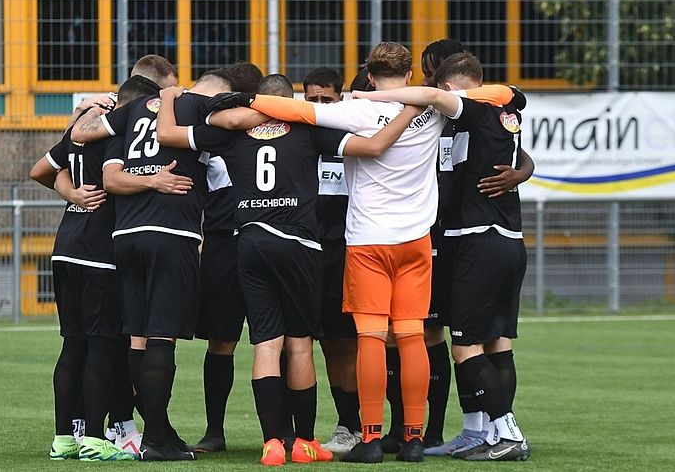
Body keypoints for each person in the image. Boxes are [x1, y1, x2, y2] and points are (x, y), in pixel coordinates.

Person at [210, 42, 515, 463]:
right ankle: (413, 438)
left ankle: (370, 438)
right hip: (416, 240)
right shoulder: (438, 108)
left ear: (369, 76)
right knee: (411, 338)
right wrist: (419, 98)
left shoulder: (352, 110)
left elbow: (294, 112)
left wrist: (246, 99)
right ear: (409, 76)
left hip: (368, 239)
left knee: (370, 338)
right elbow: (503, 94)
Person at [156, 72, 421, 466]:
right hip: (298, 243)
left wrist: (167, 95)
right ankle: (304, 441)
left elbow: (168, 135)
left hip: (248, 240)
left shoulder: (231, 132)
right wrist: (411, 112)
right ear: (290, 100)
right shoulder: (307, 125)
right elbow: (374, 147)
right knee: (299, 344)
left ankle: (272, 444)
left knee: (266, 344)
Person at [353, 51, 532, 462]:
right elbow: (517, 129)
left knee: (464, 345)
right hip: (507, 237)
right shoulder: (506, 109)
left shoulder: (469, 107)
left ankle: (506, 431)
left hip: (474, 238)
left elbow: (437, 97)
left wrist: (365, 99)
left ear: (451, 87)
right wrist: (524, 171)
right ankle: (479, 433)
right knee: (497, 341)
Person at [29, 71, 173, 461]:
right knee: (103, 345)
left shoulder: (80, 128)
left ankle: (65, 438)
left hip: (65, 246)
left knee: (72, 343)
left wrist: (70, 191)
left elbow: (39, 170)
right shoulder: (114, 134)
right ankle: (95, 437)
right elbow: (114, 181)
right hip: (98, 252)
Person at [99, 69, 233, 461]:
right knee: (162, 336)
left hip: (126, 237)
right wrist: (158, 181)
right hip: (171, 235)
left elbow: (111, 179)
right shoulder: (197, 110)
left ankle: (159, 434)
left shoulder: (131, 114)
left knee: (137, 337)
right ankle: (157, 439)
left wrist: (145, 180)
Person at [192, 61, 263, 454]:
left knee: (275, 341)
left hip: (259, 239)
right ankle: (214, 432)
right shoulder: (211, 135)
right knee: (221, 339)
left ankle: (281, 431)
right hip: (221, 242)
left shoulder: (277, 132)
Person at [299, 67, 363, 454]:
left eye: (326, 99)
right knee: (321, 345)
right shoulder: (300, 139)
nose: (320, 106)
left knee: (349, 345)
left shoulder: (354, 138)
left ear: (340, 99)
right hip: (308, 254)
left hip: (347, 252)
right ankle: (342, 424)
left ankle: (358, 424)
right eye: (313, 100)